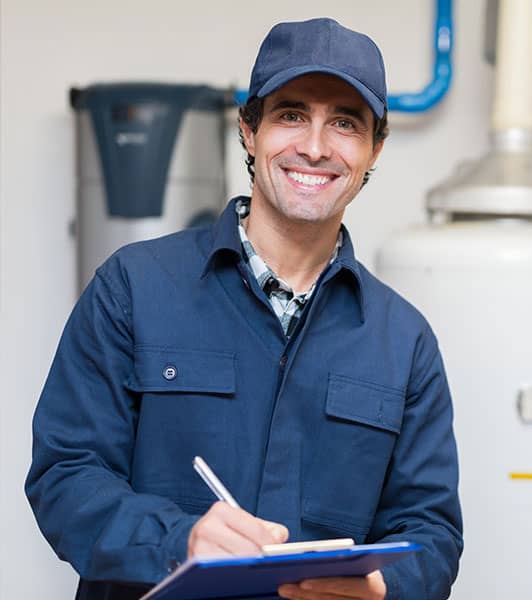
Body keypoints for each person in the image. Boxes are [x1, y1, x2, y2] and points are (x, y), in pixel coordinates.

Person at [26, 17, 462, 600]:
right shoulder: (133, 287)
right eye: (291, 115)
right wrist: (178, 541)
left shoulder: (403, 341)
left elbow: (432, 532)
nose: (314, 145)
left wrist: (384, 584)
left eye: (344, 123)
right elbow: (65, 475)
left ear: (373, 149)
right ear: (249, 131)